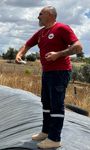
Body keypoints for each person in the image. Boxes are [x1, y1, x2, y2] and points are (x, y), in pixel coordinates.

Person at [15, 6, 83, 149]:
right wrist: (20, 54)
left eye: (40, 14)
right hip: (47, 72)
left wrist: (58, 54)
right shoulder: (41, 33)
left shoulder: (62, 28)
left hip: (60, 72)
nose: (38, 17)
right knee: (46, 103)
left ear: (50, 15)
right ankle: (46, 132)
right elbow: (27, 45)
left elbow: (78, 47)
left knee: (56, 104)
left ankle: (54, 139)